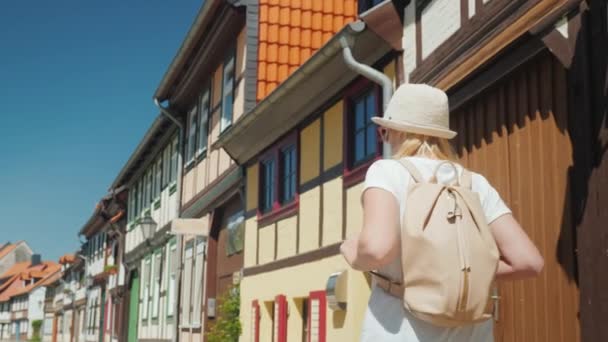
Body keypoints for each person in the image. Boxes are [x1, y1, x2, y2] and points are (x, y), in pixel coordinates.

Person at [340, 83, 544, 342]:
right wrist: (457, 270)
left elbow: (377, 250)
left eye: (383, 131)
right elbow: (529, 262)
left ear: (394, 132)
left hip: (400, 330)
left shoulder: (388, 171)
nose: (384, 138)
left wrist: (353, 254)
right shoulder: (475, 184)